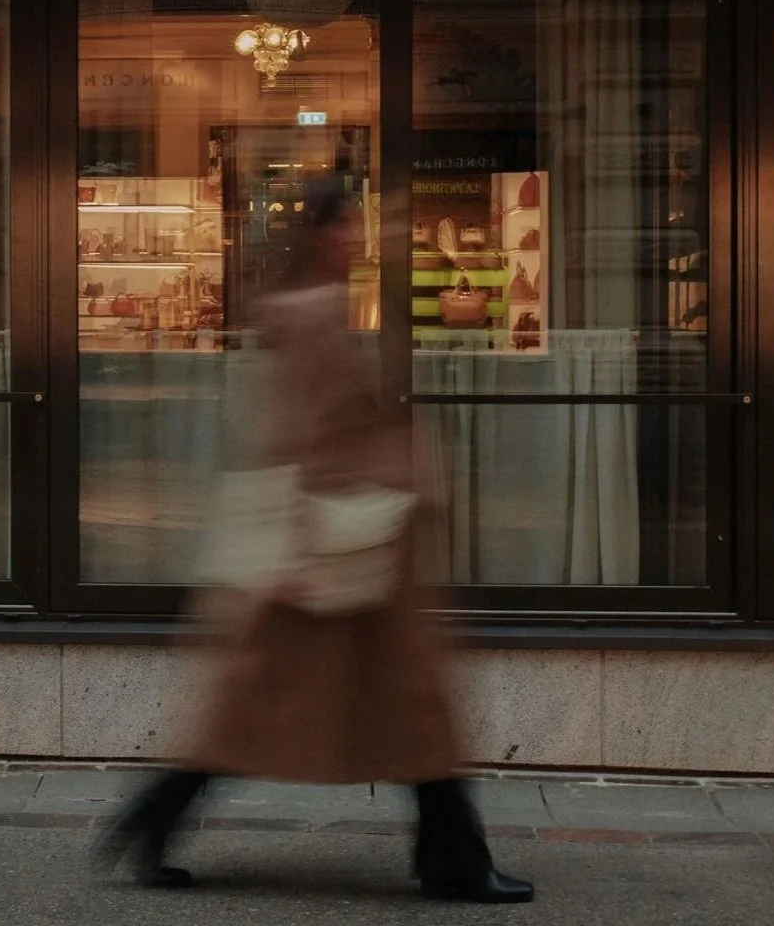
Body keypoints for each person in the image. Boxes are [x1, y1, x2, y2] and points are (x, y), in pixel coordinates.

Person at [94, 174, 534, 904]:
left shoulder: (328, 307)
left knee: (362, 702)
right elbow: (295, 435)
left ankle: (155, 816)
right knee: (373, 702)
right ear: (324, 234)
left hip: (360, 532)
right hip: (339, 540)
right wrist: (297, 547)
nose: (361, 238)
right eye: (350, 226)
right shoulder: (312, 315)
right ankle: (157, 814)